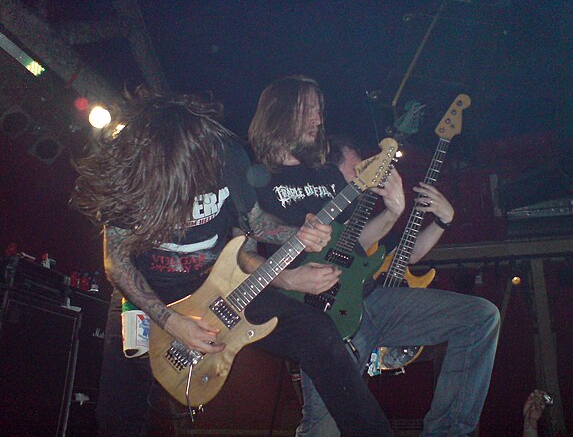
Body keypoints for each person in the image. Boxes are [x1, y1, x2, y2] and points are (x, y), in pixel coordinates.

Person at [70, 88, 393, 436]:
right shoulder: (135, 173)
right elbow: (117, 263)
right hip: (148, 290)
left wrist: (296, 233)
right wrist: (171, 321)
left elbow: (254, 221)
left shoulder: (226, 157)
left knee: (317, 332)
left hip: (216, 282)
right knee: (119, 415)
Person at [248, 75, 501, 437]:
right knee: (324, 429)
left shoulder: (327, 175)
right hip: (319, 315)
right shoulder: (256, 179)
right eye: (311, 111)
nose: (319, 120)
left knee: (481, 317)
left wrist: (393, 211)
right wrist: (286, 277)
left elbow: (353, 244)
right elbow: (237, 256)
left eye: (320, 112)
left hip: (369, 297)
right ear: (281, 112)